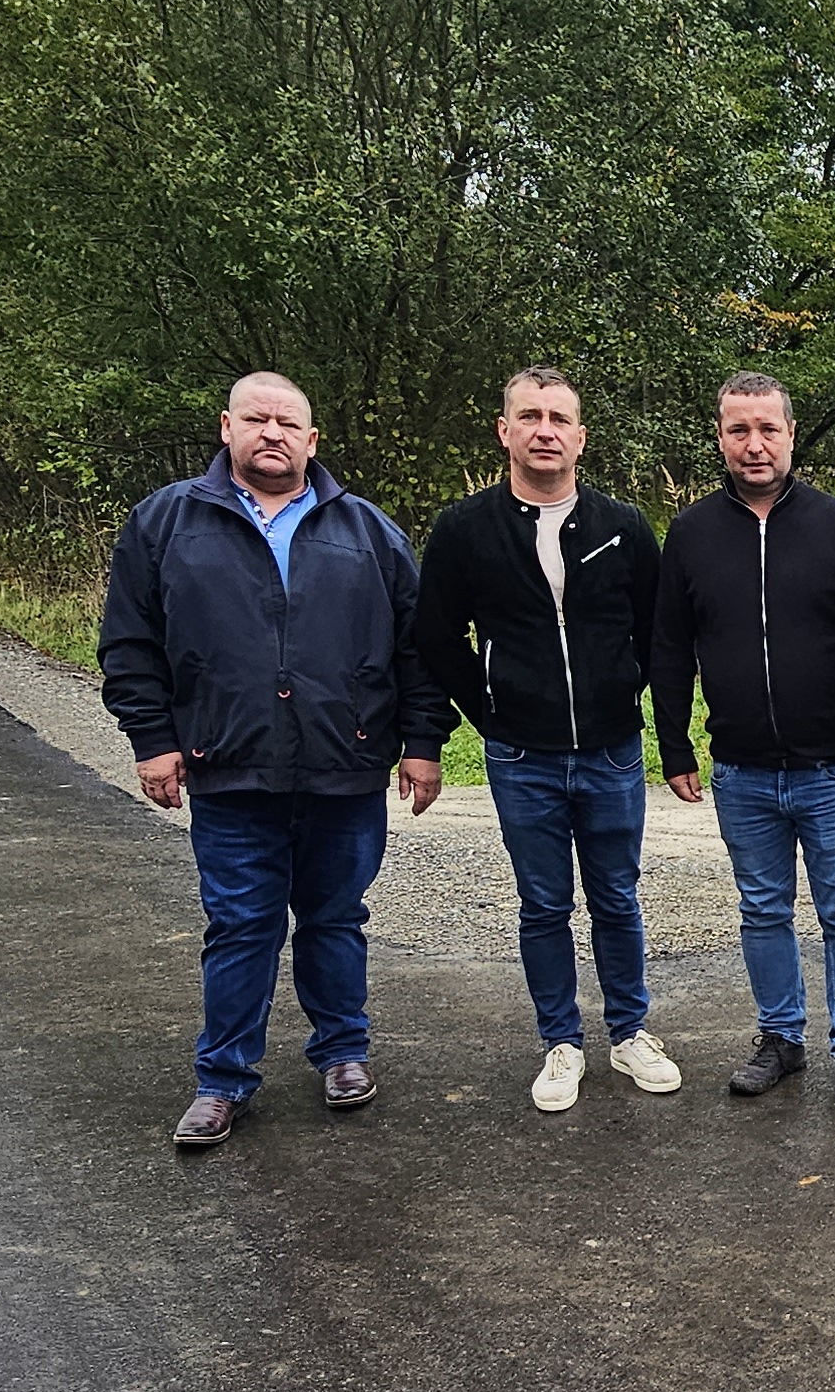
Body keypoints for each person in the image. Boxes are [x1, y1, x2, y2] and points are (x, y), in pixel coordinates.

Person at [100, 370, 447, 1147]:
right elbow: (130, 643)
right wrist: (152, 741)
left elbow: (419, 650)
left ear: (312, 440)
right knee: (240, 925)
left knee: (335, 919)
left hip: (343, 766)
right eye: (256, 419)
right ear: (227, 428)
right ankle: (223, 1080)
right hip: (230, 765)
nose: (272, 433)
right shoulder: (167, 522)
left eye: (288, 423)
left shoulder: (366, 530)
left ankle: (343, 1054)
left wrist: (421, 746)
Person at [414, 366, 680, 1113]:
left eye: (559, 418)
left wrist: (639, 706)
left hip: (611, 750)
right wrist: (486, 709)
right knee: (542, 904)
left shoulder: (622, 526)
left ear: (581, 436)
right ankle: (561, 1042)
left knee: (618, 898)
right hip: (521, 753)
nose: (545, 430)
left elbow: (660, 633)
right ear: (504, 431)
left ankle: (629, 1033)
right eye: (529, 416)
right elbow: (436, 637)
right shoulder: (465, 529)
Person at [651, 373, 835, 1113]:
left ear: (792, 434)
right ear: (720, 437)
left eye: (767, 430)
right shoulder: (692, 533)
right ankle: (780, 1038)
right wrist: (673, 747)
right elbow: (670, 647)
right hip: (741, 770)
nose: (753, 446)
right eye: (738, 431)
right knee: (761, 910)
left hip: (832, 766)